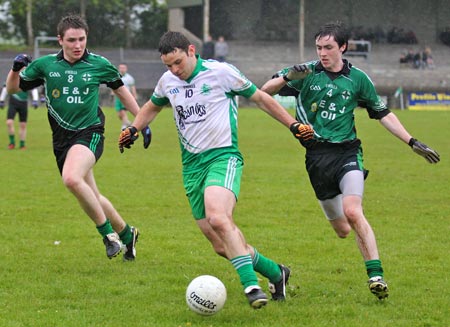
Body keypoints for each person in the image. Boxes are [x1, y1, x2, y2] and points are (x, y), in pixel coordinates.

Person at [118, 31, 314, 309]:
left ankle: (251, 286)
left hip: (223, 157)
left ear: (190, 50)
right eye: (168, 66)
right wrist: (133, 128)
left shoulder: (220, 72)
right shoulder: (168, 81)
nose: (174, 70)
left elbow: (260, 98)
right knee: (221, 246)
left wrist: (293, 125)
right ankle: (276, 272)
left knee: (219, 218)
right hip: (191, 168)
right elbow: (152, 106)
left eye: (178, 63)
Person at [261, 21, 440, 300]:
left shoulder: (358, 79)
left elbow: (382, 113)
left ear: (343, 47)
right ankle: (355, 243)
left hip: (347, 152)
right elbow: (264, 93)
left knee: (354, 211)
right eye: (319, 47)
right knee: (343, 229)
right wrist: (286, 77)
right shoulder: (305, 72)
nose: (323, 53)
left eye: (329, 47)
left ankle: (376, 276)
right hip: (316, 158)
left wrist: (412, 141)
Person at [6, 14, 151, 261]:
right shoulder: (46, 65)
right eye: (71, 40)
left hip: (90, 132)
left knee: (72, 179)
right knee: (92, 195)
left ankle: (108, 236)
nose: (77, 45)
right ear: (60, 40)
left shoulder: (99, 64)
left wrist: (141, 123)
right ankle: (128, 235)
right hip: (61, 140)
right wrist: (15, 69)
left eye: (82, 39)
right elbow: (13, 89)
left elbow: (121, 92)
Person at [0, 83, 39, 149]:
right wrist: (1, 100)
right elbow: (6, 87)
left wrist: (35, 100)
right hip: (13, 103)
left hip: (23, 103)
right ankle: (12, 143)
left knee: (23, 125)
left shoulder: (27, 76)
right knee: (9, 122)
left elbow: (33, 88)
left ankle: (22, 144)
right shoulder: (13, 76)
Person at [113, 63, 138, 130]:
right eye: (121, 68)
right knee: (119, 114)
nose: (122, 69)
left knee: (123, 111)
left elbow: (132, 87)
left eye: (123, 68)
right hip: (117, 97)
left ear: (126, 69)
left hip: (125, 97)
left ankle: (124, 126)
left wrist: (134, 95)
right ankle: (128, 123)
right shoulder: (116, 76)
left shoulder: (129, 78)